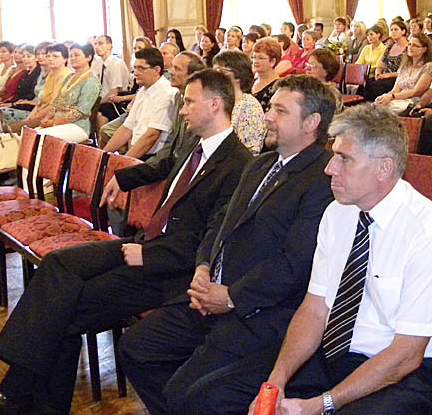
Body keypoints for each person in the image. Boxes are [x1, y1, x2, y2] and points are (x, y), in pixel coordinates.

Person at [0, 69, 251, 415]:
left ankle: (20, 394)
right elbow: (166, 165)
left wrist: (149, 256)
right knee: (58, 265)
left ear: (215, 105)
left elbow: (212, 240)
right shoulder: (197, 145)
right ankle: (19, 393)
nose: (182, 110)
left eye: (190, 102)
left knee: (63, 309)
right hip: (145, 244)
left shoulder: (239, 165)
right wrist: (123, 177)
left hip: (169, 270)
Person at [181, 104, 432, 415]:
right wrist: (276, 381)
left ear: (384, 168)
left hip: (405, 370)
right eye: (333, 156)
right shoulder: (338, 212)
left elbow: (406, 355)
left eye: (344, 159)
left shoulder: (431, 231)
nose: (330, 168)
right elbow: (315, 309)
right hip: (336, 351)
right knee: (208, 398)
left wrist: (320, 405)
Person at [117, 75, 337, 415]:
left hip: (257, 310)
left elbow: (295, 264)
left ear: (311, 123)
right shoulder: (261, 164)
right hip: (212, 295)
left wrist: (231, 296)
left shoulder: (322, 180)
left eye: (280, 111)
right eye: (270, 108)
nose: (267, 117)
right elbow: (220, 223)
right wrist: (203, 267)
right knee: (135, 347)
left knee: (186, 394)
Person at [103, 48, 179, 159]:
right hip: (136, 152)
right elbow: (127, 128)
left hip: (153, 157)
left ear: (156, 70)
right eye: (135, 68)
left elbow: (151, 136)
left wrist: (125, 162)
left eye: (141, 68)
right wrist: (102, 156)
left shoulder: (167, 93)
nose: (135, 73)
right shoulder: (143, 91)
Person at [212, 51, 266, 154]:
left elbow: (250, 150)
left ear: (238, 76)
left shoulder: (249, 106)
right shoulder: (215, 101)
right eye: (214, 70)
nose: (215, 76)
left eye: (221, 71)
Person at [375, 32, 432, 115]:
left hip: (412, 102)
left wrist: (392, 97)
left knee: (383, 112)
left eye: (415, 45)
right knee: (376, 106)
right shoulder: (405, 66)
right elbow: (395, 90)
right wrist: (385, 97)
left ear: (424, 49)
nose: (411, 47)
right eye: (409, 44)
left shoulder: (429, 66)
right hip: (398, 99)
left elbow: (416, 92)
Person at [364, 22, 410, 101]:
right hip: (384, 76)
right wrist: (378, 73)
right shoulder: (390, 47)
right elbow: (381, 65)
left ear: (403, 31)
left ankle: (376, 105)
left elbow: (405, 71)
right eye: (391, 30)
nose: (393, 32)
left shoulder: (408, 47)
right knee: (365, 84)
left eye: (396, 29)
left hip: (397, 78)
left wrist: (386, 75)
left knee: (375, 86)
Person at [93, 34, 130, 127]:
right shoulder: (100, 63)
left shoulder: (116, 63)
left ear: (109, 46)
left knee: (99, 113)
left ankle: (102, 135)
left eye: (100, 44)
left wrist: (98, 103)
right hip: (104, 99)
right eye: (95, 44)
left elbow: (115, 90)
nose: (97, 47)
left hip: (117, 102)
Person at [251, 37, 282, 112]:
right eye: (254, 57)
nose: (255, 61)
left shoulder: (277, 88)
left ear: (272, 61)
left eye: (261, 58)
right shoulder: (251, 81)